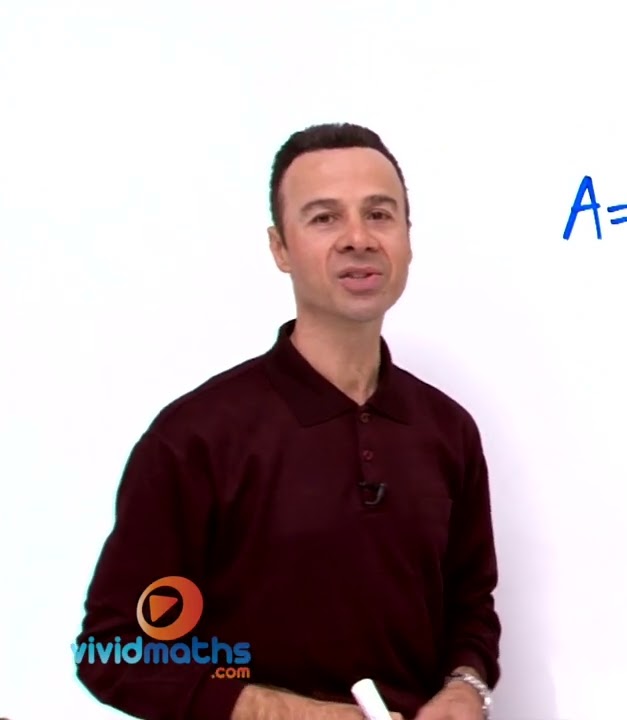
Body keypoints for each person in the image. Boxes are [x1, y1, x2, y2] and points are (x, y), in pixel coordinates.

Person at [75, 123, 500, 720]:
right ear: (279, 248)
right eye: (324, 218)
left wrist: (465, 688)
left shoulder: (448, 430)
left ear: (407, 236)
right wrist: (288, 714)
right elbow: (113, 650)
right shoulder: (195, 437)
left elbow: (470, 608)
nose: (358, 239)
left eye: (379, 215)